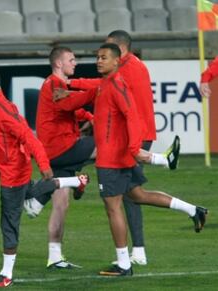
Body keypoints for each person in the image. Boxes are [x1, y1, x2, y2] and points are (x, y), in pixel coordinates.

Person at [53, 43, 208, 276]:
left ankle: (124, 263)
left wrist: (135, 148)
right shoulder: (108, 83)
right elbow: (94, 84)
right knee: (137, 196)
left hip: (111, 160)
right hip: (118, 157)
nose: (98, 60)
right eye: (97, 57)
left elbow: (132, 116)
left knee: (113, 209)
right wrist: (70, 84)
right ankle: (193, 209)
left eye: (103, 57)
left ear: (117, 61)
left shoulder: (115, 86)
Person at [0, 70, 89, 287]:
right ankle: (75, 181)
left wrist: (43, 164)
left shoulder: (1, 110)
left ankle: (6, 275)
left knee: (9, 222)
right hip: (16, 169)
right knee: (31, 191)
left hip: (12, 173)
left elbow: (27, 137)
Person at [68, 30, 157, 265]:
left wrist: (70, 83)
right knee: (131, 193)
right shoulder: (131, 66)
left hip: (132, 137)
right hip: (128, 136)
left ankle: (137, 250)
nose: (101, 58)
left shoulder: (128, 70)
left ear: (119, 50)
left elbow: (103, 87)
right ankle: (136, 250)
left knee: (129, 195)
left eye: (105, 52)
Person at [29, 47, 96, 269]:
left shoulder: (54, 85)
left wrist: (88, 116)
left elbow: (68, 110)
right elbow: (67, 104)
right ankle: (156, 159)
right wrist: (97, 90)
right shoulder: (55, 84)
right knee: (107, 147)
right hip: (61, 147)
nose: (74, 63)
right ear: (59, 63)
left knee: (62, 203)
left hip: (56, 150)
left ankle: (55, 256)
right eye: (71, 59)